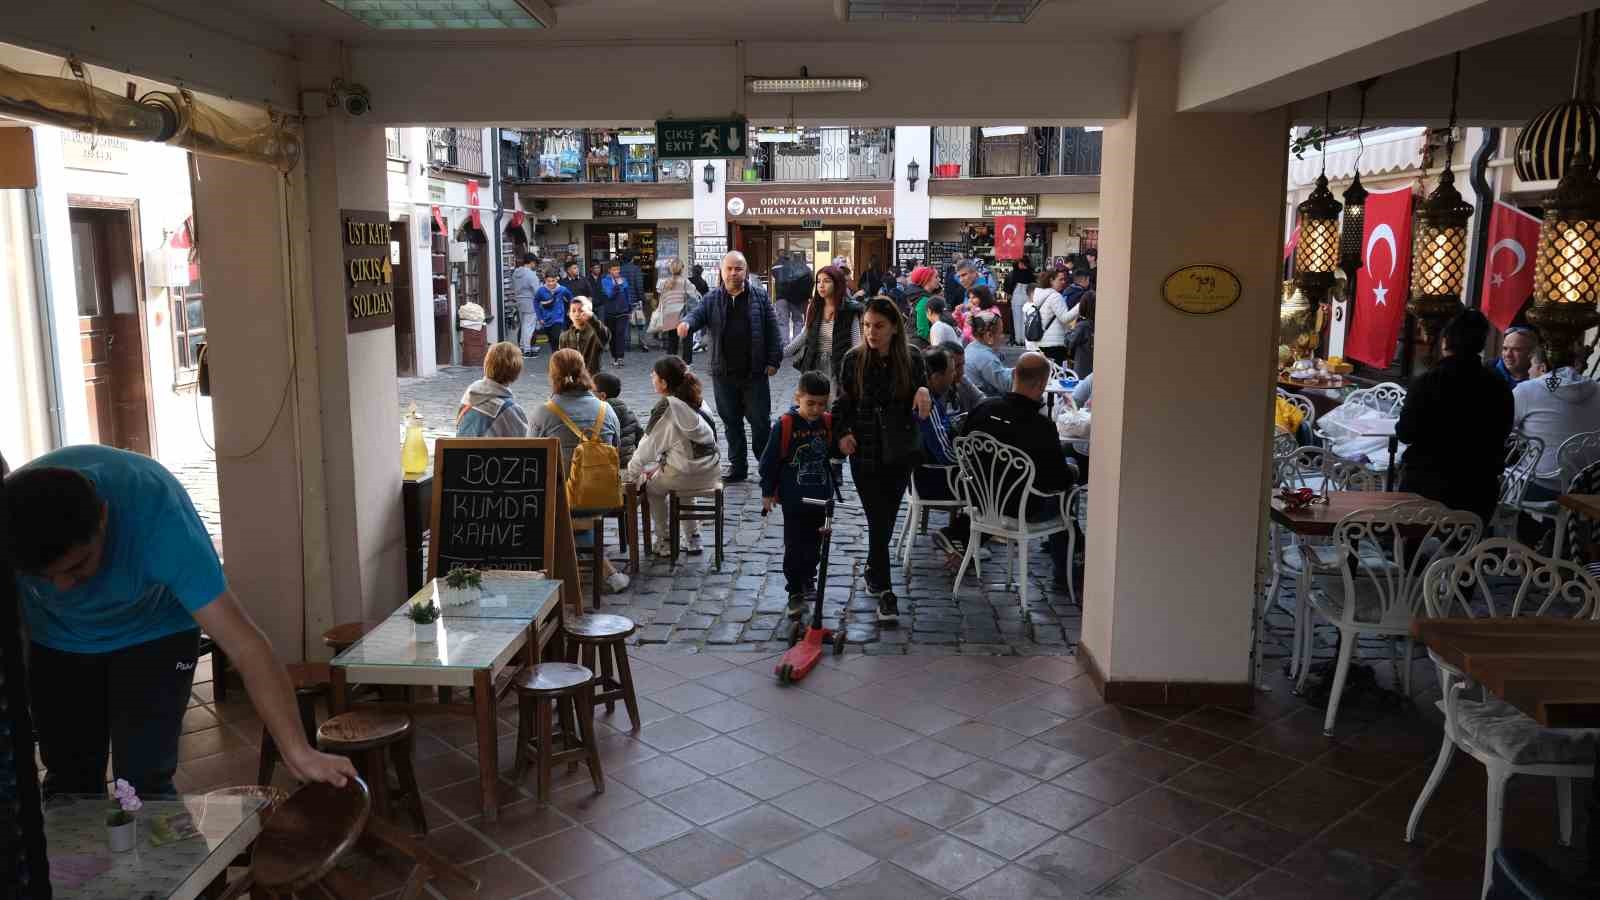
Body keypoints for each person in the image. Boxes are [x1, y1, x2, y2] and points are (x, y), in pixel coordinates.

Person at [3, 446, 359, 798]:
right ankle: (81, 857)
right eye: (43, 578)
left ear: (103, 519)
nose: (63, 589)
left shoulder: (158, 520)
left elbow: (244, 644)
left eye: (77, 568)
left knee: (143, 780)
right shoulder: (10, 523)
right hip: (56, 638)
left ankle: (162, 855)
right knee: (69, 782)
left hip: (157, 632)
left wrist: (298, 751)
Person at [833, 297, 933, 624]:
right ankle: (887, 593)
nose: (871, 332)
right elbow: (843, 403)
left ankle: (874, 572)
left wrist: (922, 389)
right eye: (866, 326)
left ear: (893, 328)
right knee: (877, 518)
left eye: (878, 326)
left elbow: (927, 386)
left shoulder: (912, 358)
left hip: (899, 451)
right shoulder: (853, 359)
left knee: (886, 518)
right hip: (864, 451)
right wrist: (842, 434)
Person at [960, 353, 1078, 590]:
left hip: (984, 503)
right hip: (1023, 509)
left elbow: (963, 449)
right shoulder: (1040, 426)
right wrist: (1073, 472)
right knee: (1067, 493)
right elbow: (1056, 480)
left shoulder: (983, 409)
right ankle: (1066, 569)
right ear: (1043, 385)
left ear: (1014, 375)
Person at [1394, 309, 1514, 526]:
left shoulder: (1427, 382)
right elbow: (1503, 431)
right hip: (1478, 493)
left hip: (1426, 492)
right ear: (1481, 344)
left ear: (1446, 341)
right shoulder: (1498, 385)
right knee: (1464, 553)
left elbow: (1406, 433)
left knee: (1412, 553)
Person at [526, 349, 630, 594]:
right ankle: (605, 570)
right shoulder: (607, 410)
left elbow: (533, 460)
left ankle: (547, 571)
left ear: (552, 375)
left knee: (552, 504)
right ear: (584, 371)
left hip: (565, 500)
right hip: (605, 497)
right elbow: (615, 451)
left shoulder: (545, 412)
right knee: (568, 507)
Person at [678, 251, 783, 483]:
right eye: (730, 269)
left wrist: (774, 360)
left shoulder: (759, 297)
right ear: (721, 271)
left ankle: (767, 468)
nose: (734, 273)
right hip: (723, 373)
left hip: (754, 373)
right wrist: (687, 323)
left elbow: (773, 329)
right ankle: (738, 467)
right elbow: (697, 315)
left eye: (739, 269)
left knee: (760, 422)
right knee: (731, 422)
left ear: (745, 271)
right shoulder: (713, 298)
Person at [759, 371, 839, 619]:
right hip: (794, 499)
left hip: (821, 498)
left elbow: (835, 453)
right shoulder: (785, 425)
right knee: (794, 545)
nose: (816, 409)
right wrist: (767, 492)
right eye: (810, 403)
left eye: (821, 404)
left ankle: (808, 578)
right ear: (798, 397)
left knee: (816, 543)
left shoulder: (827, 423)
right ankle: (794, 589)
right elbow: (769, 461)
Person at [627, 356, 721, 557]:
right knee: (683, 484)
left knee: (653, 489)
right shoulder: (699, 401)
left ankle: (665, 540)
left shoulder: (667, 408)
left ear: (664, 382)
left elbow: (646, 449)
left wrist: (632, 476)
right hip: (710, 471)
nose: (651, 378)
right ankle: (694, 537)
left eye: (654, 375)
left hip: (684, 473)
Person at [1513, 348, 1600, 500]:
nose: (1528, 370)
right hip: (1590, 487)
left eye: (1531, 365)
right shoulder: (1597, 389)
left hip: (1541, 485)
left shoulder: (1526, 390)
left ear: (1543, 368)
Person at [914, 347, 975, 560]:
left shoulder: (933, 398)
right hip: (935, 479)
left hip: (932, 474)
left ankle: (964, 536)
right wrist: (971, 462)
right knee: (990, 482)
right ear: (937, 376)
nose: (954, 376)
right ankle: (962, 537)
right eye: (951, 371)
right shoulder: (928, 403)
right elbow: (945, 455)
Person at [789, 264, 862, 388]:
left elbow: (856, 343)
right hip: (814, 365)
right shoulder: (814, 307)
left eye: (827, 281)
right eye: (818, 281)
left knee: (833, 403)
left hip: (838, 366)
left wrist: (857, 368)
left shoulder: (849, 310)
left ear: (837, 283)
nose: (821, 285)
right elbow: (804, 335)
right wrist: (779, 354)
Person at [457, 341, 531, 438]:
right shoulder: (510, 410)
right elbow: (527, 444)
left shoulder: (469, 395)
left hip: (461, 451)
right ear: (516, 371)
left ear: (487, 363)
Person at [655, 256, 701, 365]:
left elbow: (661, 297)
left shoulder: (664, 283)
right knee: (687, 340)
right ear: (682, 269)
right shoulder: (686, 282)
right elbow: (694, 299)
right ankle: (687, 363)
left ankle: (671, 363)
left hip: (669, 315)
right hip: (683, 315)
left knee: (672, 341)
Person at [593, 372, 642, 470]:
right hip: (627, 464)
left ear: (602, 395)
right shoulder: (629, 413)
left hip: (607, 466)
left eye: (592, 391)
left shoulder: (598, 415)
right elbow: (640, 439)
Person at [964, 309, 1013, 398]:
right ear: (989, 335)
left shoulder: (971, 347)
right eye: (1000, 333)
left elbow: (1000, 372)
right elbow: (1008, 385)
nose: (1003, 337)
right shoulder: (987, 358)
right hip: (987, 405)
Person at [559, 296, 610, 379]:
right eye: (573, 311)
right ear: (569, 314)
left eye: (581, 311)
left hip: (592, 380)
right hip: (572, 381)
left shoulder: (595, 334)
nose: (577, 314)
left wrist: (592, 318)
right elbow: (563, 361)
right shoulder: (564, 336)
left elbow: (604, 335)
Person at [599, 258, 637, 367]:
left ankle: (620, 357)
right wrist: (617, 285)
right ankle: (614, 357)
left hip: (623, 311)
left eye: (618, 269)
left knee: (620, 334)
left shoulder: (624, 280)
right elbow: (610, 295)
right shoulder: (605, 281)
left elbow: (627, 295)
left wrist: (629, 308)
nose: (617, 272)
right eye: (614, 270)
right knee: (612, 335)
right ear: (609, 270)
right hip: (610, 312)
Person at [939, 340, 984, 417]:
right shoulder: (934, 393)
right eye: (957, 366)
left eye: (963, 365)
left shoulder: (962, 380)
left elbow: (981, 400)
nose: (962, 371)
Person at [533, 269, 571, 357]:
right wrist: (540, 317)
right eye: (548, 281)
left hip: (558, 318)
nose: (550, 283)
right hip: (546, 319)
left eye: (553, 281)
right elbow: (535, 302)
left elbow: (571, 297)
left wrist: (570, 309)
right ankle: (556, 355)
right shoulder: (541, 290)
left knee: (556, 337)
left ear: (556, 279)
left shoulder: (562, 289)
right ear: (545, 280)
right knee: (552, 341)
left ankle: (559, 357)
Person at [776, 252, 813, 343]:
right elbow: (811, 284)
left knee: (783, 322)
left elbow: (777, 279)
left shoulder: (782, 267)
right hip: (797, 299)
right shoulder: (806, 269)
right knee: (798, 320)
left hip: (782, 298)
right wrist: (807, 297)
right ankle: (796, 343)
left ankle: (785, 344)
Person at [1063, 279, 1096, 377]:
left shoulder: (1083, 326)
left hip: (1082, 368)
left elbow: (1069, 342)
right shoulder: (1095, 324)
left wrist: (1069, 330)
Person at [1002, 256, 1036, 346]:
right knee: (1026, 319)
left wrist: (1009, 295)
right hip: (1028, 298)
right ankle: (1025, 339)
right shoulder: (1031, 274)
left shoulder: (1013, 274)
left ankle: (1018, 340)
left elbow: (1007, 288)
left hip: (1016, 298)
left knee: (1016, 320)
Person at [903, 266, 941, 345]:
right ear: (926, 279)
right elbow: (923, 332)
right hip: (919, 347)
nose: (939, 280)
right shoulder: (924, 300)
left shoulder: (919, 296)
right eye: (936, 277)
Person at [512, 251, 541, 355]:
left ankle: (522, 347)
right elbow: (537, 291)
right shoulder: (531, 274)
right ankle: (527, 349)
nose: (535, 266)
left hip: (519, 301)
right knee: (529, 326)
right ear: (531, 262)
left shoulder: (516, 272)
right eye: (535, 263)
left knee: (524, 325)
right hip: (530, 302)